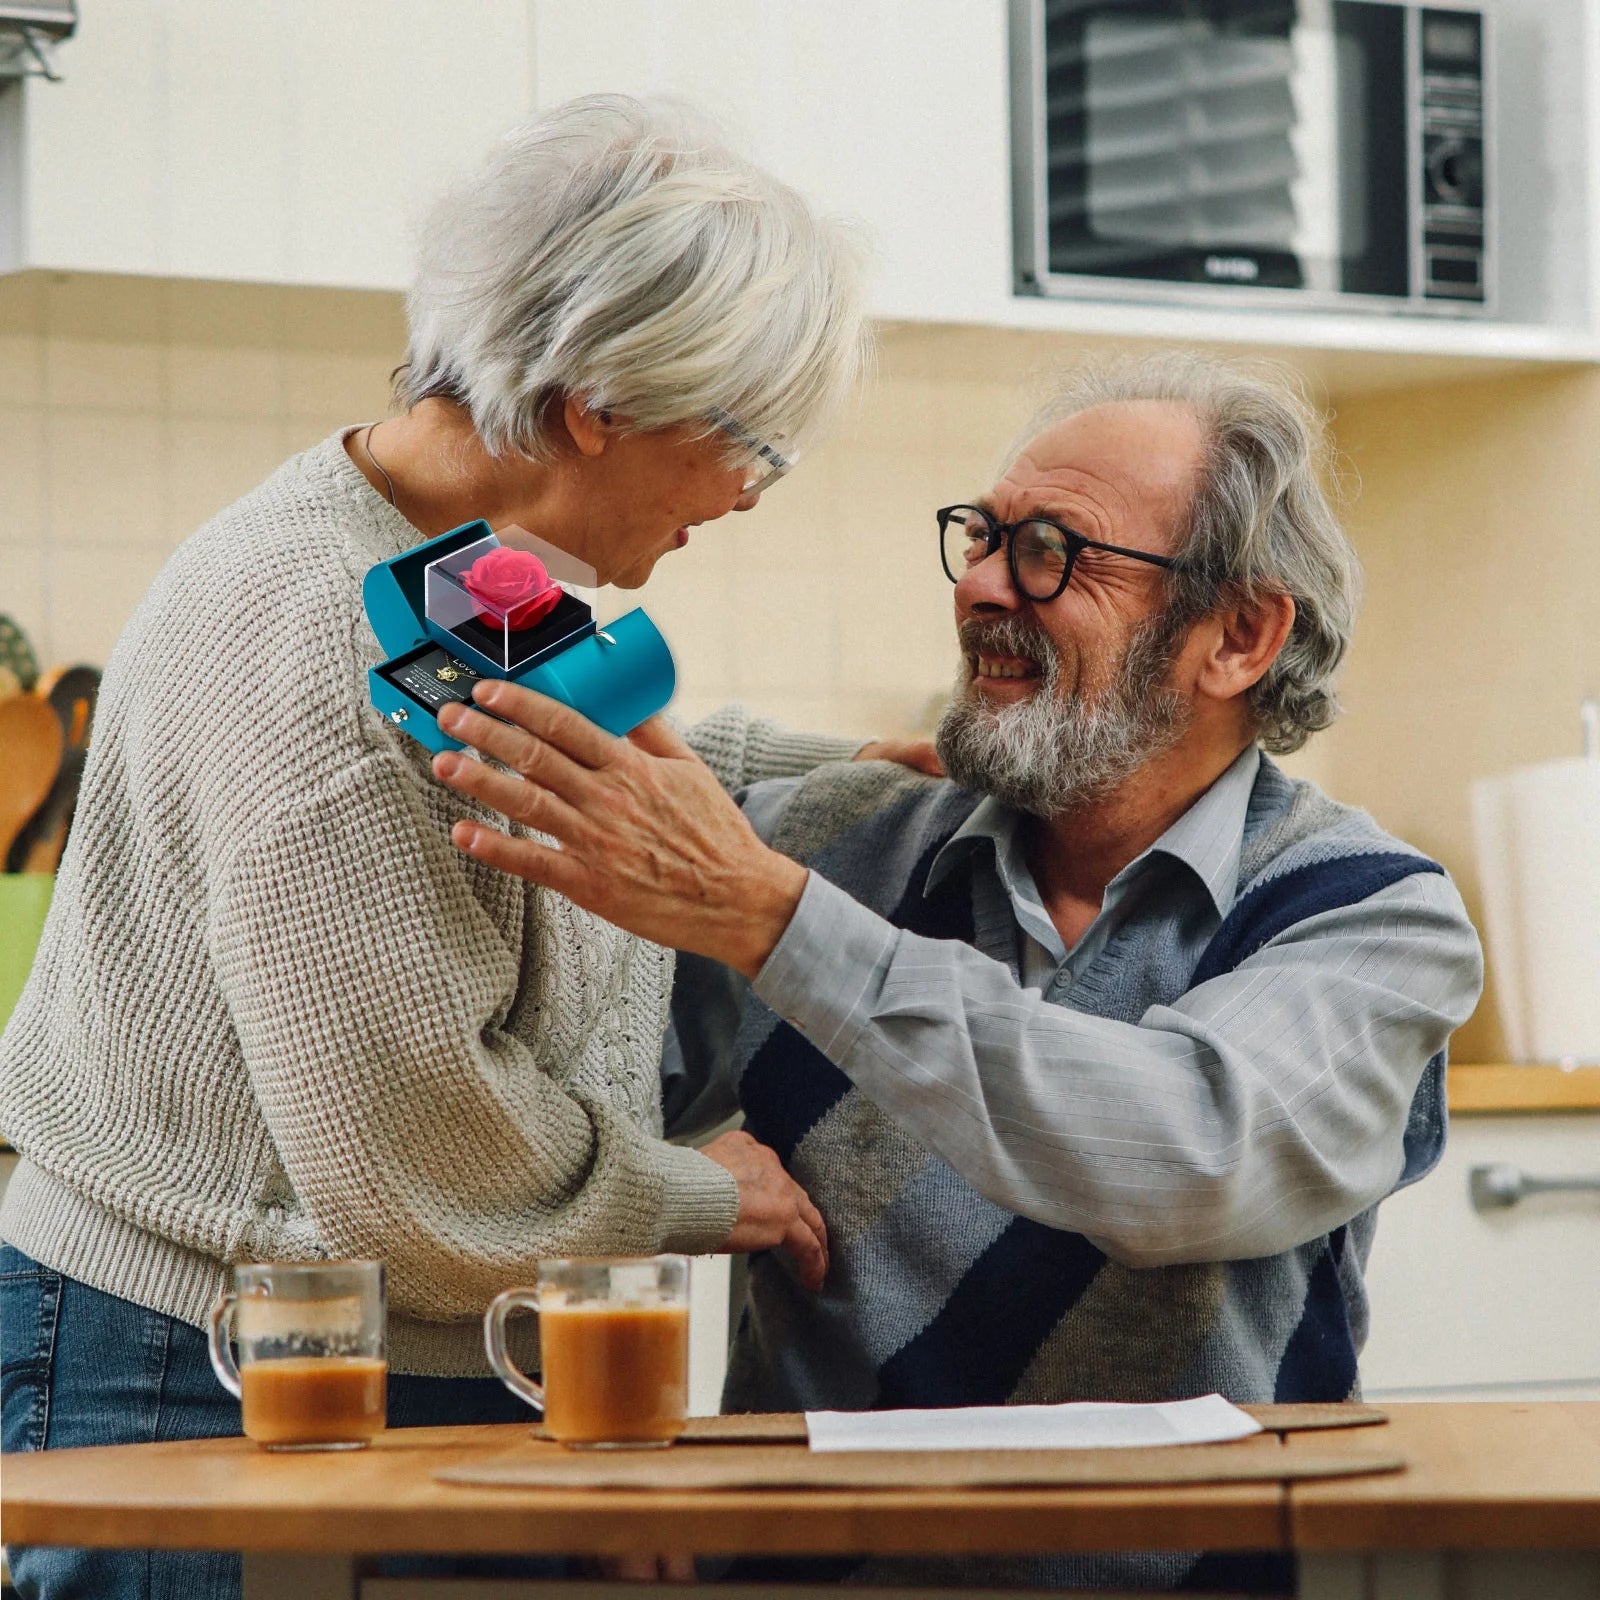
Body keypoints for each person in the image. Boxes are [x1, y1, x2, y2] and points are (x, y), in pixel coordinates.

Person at [0, 93, 894, 1600]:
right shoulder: (317, 637)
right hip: (204, 1374)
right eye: (746, 440)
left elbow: (610, 756)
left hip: (382, 1337)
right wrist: (699, 1193)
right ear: (594, 402)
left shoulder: (447, 554)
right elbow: (418, 1157)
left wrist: (860, 771)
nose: (748, 489)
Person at [427, 352, 1484, 1591]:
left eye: (1050, 550)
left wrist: (779, 921)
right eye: (980, 537)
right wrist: (658, 1186)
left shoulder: (1369, 913)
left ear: (1237, 635)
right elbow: (537, 1106)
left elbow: (1185, 1150)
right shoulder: (825, 841)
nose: (983, 585)